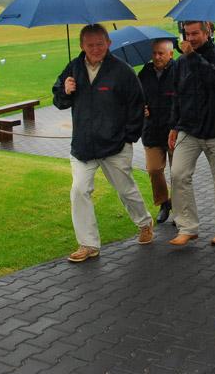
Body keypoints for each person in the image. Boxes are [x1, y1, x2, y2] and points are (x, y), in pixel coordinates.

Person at [52, 24, 154, 262]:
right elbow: (59, 100)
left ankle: (144, 222)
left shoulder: (122, 71)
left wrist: (128, 138)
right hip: (83, 147)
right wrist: (65, 91)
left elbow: (137, 105)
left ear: (108, 43)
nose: (95, 49)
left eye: (100, 44)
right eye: (90, 45)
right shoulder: (73, 68)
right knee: (79, 191)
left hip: (115, 146)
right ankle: (88, 244)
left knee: (125, 189)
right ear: (81, 46)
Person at [168, 20, 215, 246]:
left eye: (195, 33)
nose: (190, 38)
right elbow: (177, 95)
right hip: (189, 129)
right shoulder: (180, 62)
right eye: (187, 34)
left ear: (208, 32)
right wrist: (174, 125)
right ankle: (187, 226)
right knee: (178, 174)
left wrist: (192, 57)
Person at [138, 39, 176, 223]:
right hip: (151, 129)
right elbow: (136, 95)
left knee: (178, 173)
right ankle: (163, 202)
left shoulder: (179, 70)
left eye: (161, 53)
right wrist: (141, 107)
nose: (157, 57)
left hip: (174, 130)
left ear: (171, 54)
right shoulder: (145, 72)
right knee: (154, 170)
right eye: (154, 53)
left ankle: (179, 207)